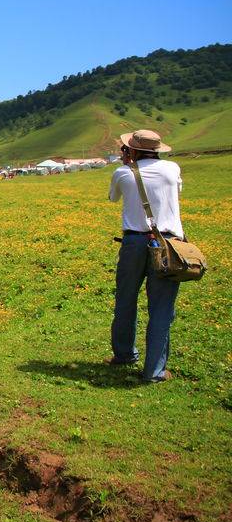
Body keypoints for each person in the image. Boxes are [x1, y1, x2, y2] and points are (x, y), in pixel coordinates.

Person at [107, 129, 184, 383]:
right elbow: (175, 192)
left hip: (134, 241)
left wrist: (128, 165)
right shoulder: (172, 169)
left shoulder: (122, 173)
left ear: (133, 150)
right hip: (167, 243)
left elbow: (113, 197)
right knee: (161, 307)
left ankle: (124, 354)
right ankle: (154, 371)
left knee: (126, 298)